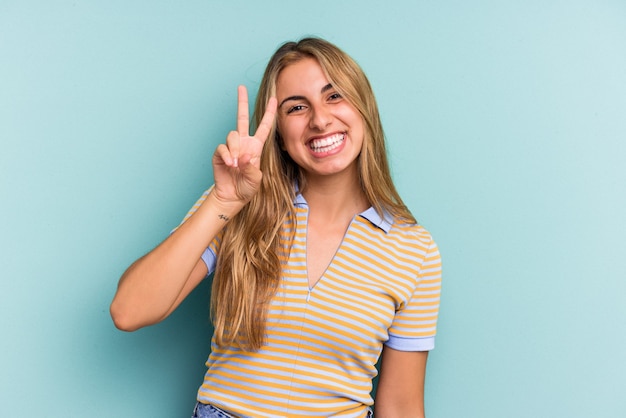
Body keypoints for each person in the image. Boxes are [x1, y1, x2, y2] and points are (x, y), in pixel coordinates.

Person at [110, 37, 442, 418]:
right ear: (280, 136)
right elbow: (128, 311)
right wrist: (224, 202)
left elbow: (401, 406)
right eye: (297, 107)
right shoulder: (238, 203)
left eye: (334, 96)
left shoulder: (415, 250)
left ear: (364, 109)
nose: (319, 119)